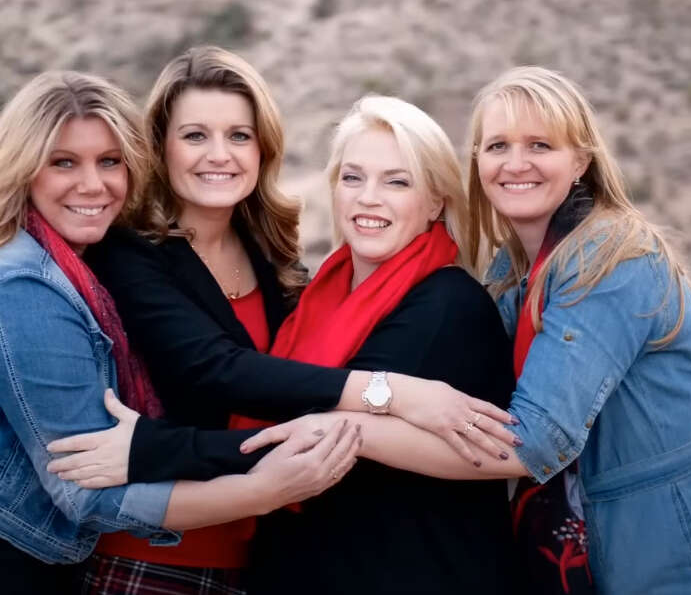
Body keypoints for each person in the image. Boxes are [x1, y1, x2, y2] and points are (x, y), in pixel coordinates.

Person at [248, 66, 691, 593]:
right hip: (582, 539)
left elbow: (532, 442)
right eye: (498, 145)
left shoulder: (611, 259)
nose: (516, 163)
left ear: (580, 161)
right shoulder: (508, 271)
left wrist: (342, 431)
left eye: (540, 145)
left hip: (672, 540)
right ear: (477, 162)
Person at [0, 71, 360, 595]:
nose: (92, 185)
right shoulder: (23, 283)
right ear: (23, 169)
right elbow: (86, 491)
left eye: (109, 162)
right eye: (63, 162)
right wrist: (262, 486)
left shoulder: (77, 266)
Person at [48, 47, 517, 593]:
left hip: (273, 557)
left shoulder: (286, 265)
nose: (218, 154)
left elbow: (321, 437)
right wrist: (391, 393)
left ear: (436, 202)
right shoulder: (134, 256)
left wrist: (148, 447)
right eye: (195, 135)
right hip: (160, 554)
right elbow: (215, 369)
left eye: (239, 136)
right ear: (160, 147)